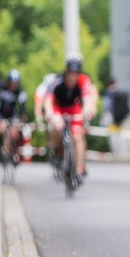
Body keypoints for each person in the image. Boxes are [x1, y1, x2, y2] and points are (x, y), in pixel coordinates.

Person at [44, 53, 99, 184]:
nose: (73, 76)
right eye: (70, 73)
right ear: (66, 71)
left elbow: (87, 100)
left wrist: (87, 111)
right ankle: (56, 148)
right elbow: (48, 101)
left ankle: (79, 170)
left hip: (74, 107)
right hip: (58, 107)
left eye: (76, 73)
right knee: (58, 127)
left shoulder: (84, 80)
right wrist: (51, 114)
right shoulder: (57, 81)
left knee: (77, 136)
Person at [0, 69, 28, 163]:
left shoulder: (20, 92)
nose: (13, 85)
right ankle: (0, 149)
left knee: (15, 132)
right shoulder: (2, 87)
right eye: (12, 82)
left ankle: (14, 152)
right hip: (0, 113)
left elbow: (23, 106)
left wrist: (24, 117)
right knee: (1, 129)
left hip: (12, 114)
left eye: (15, 83)